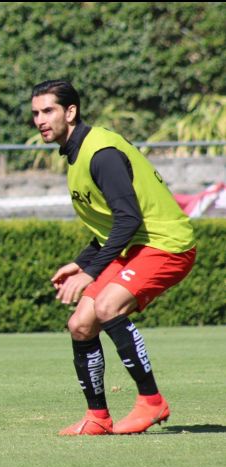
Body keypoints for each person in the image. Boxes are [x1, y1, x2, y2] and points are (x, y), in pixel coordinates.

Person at [31, 80, 196, 435]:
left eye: (48, 111)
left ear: (70, 112)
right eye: (35, 113)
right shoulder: (77, 154)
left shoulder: (100, 152)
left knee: (107, 308)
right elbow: (112, 224)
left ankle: (151, 401)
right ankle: (98, 417)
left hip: (166, 244)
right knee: (80, 325)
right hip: (134, 246)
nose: (40, 120)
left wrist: (91, 272)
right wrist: (82, 261)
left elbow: (130, 218)